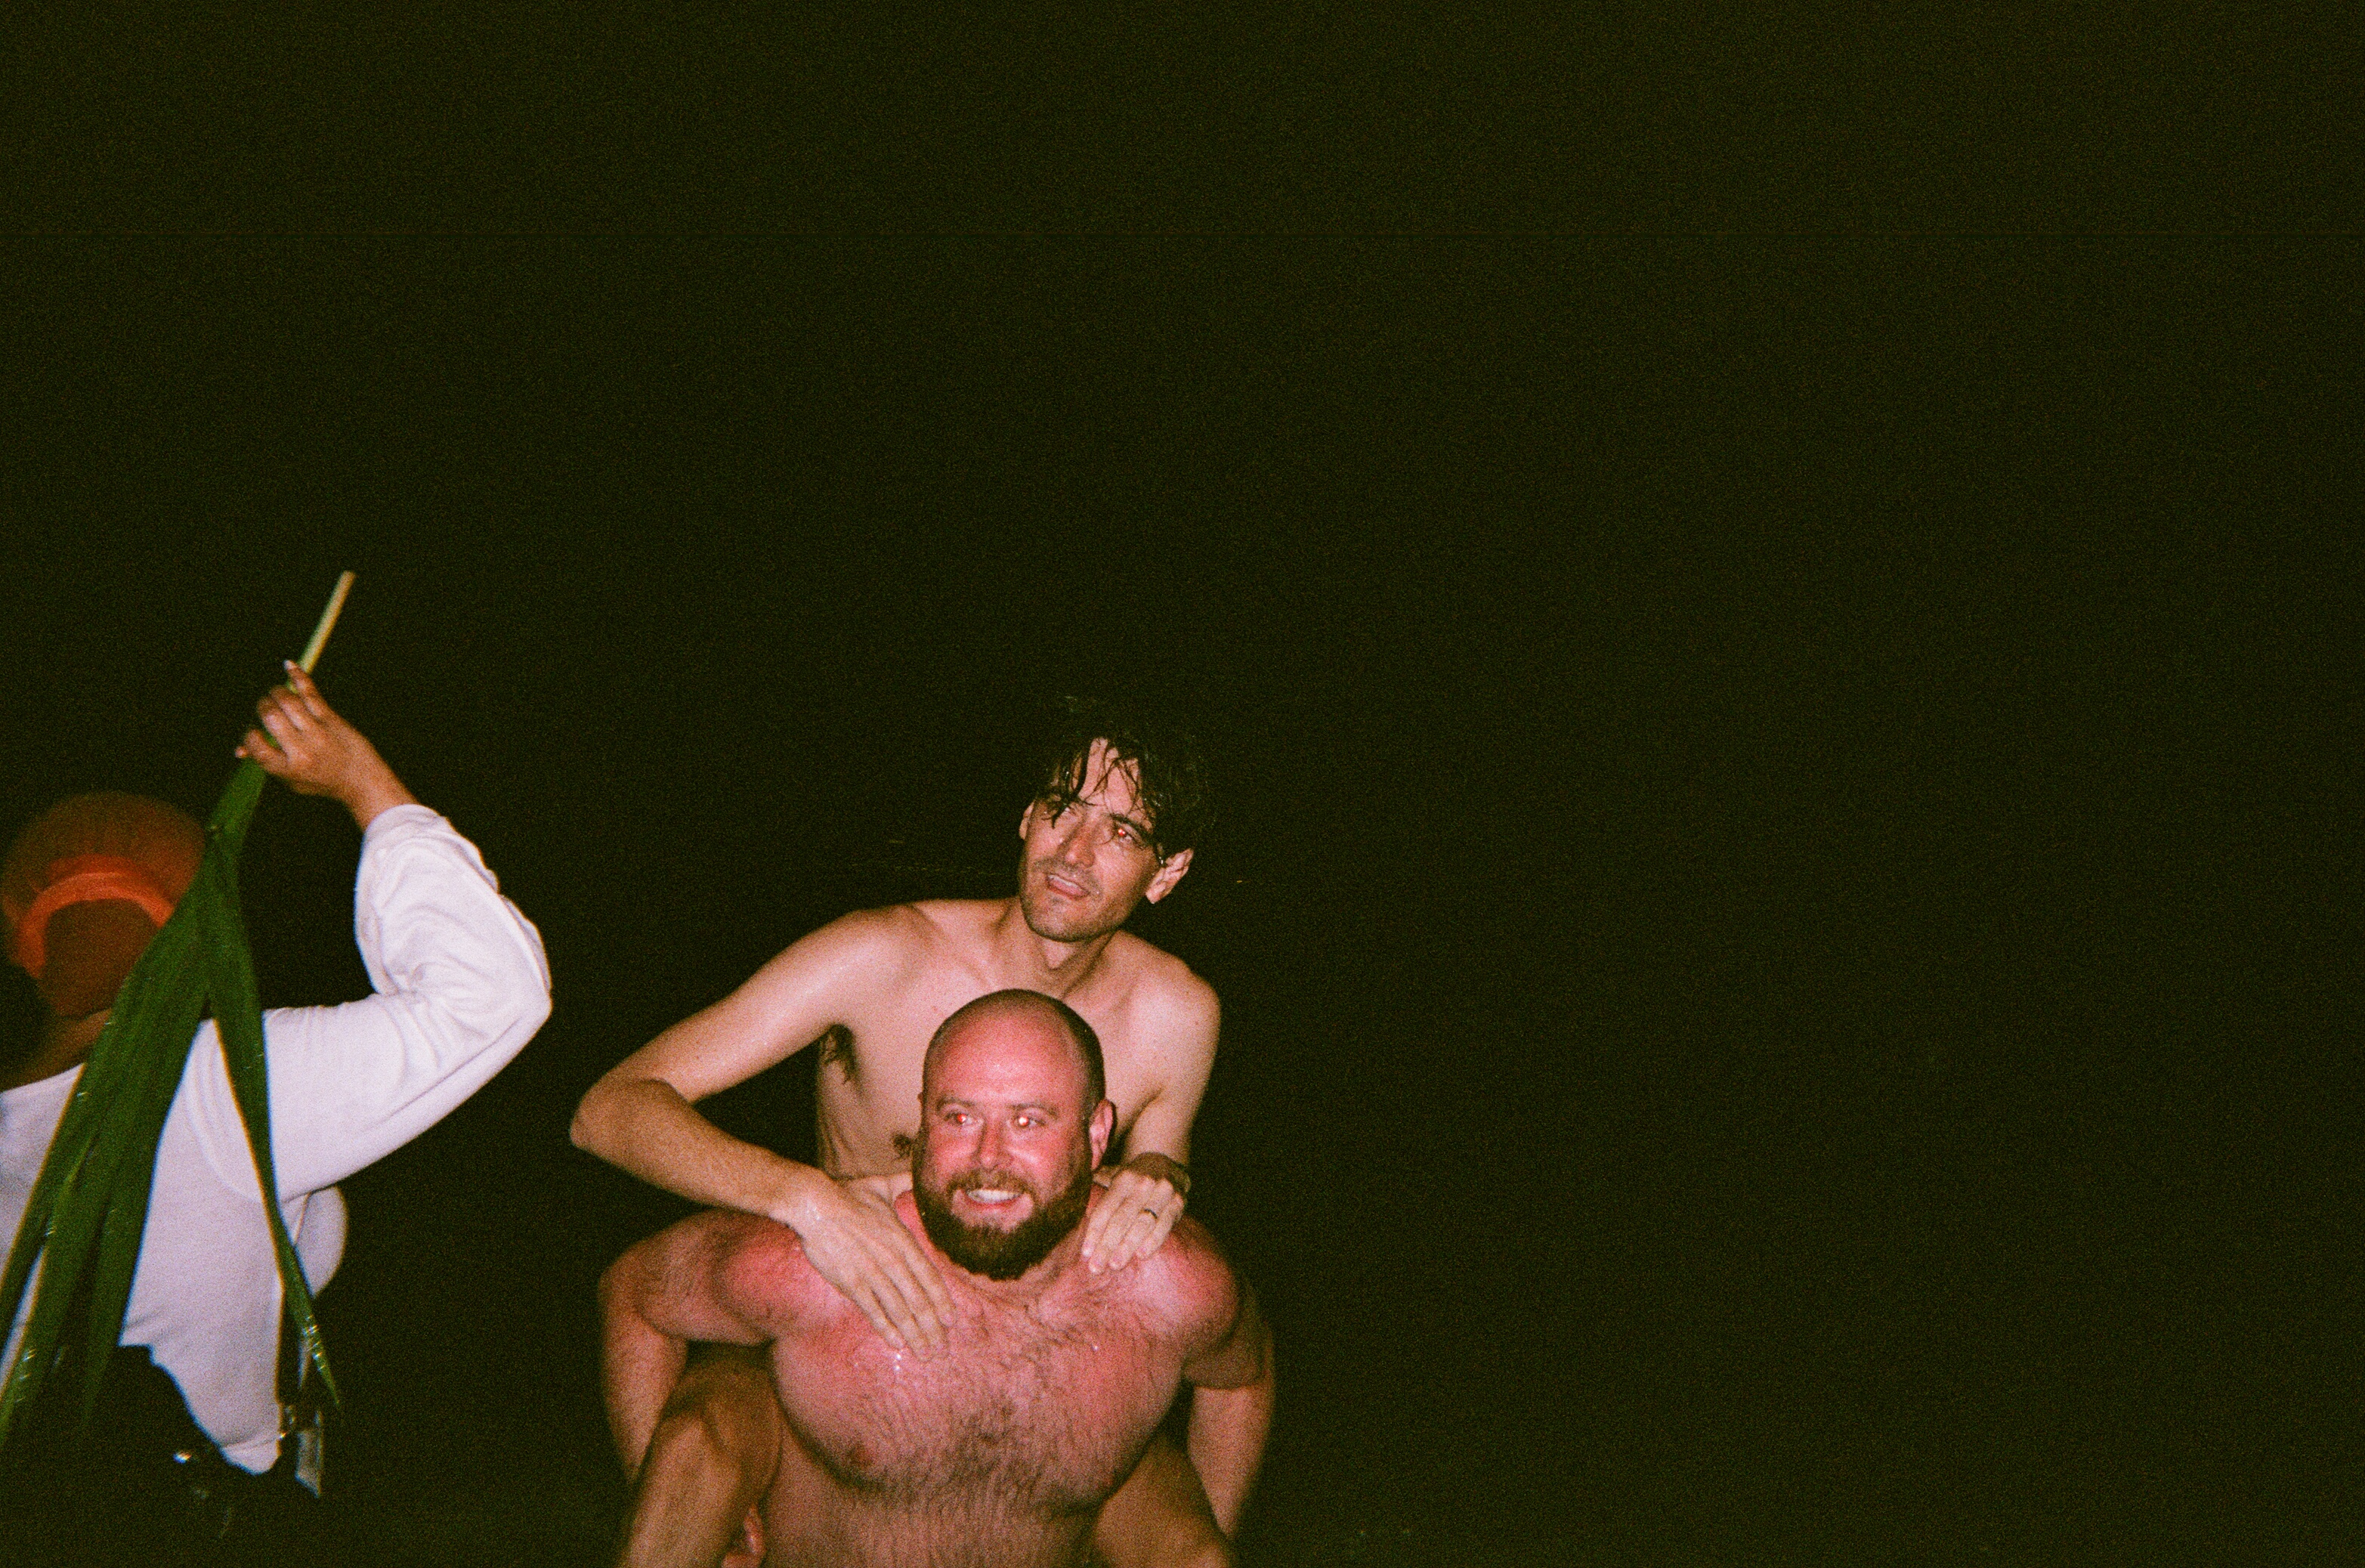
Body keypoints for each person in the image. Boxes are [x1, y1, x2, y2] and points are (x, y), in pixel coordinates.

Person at [572, 700, 1231, 1566]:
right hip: (846, 1325)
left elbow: (1155, 1176)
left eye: (1120, 831)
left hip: (1035, 1355)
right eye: (1062, 807)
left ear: (1166, 871)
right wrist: (806, 1198)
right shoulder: (881, 956)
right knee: (700, 1435)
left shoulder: (1175, 1011)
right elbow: (611, 1108)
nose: (1073, 851)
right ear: (1026, 816)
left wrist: (1160, 1173)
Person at [0, 664, 552, 1563]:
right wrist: (362, 780)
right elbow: (490, 994)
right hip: (208, 1528)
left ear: (23, 942)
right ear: (204, 932)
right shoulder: (218, 1085)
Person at [601, 990, 1272, 1568]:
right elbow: (634, 1289)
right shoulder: (820, 1269)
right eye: (959, 1117)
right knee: (693, 1445)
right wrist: (664, 1492)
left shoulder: (1168, 1284)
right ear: (921, 1122)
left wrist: (1205, 1524)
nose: (988, 1157)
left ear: (1097, 1134)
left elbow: (1243, 1376)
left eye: (1028, 1121)